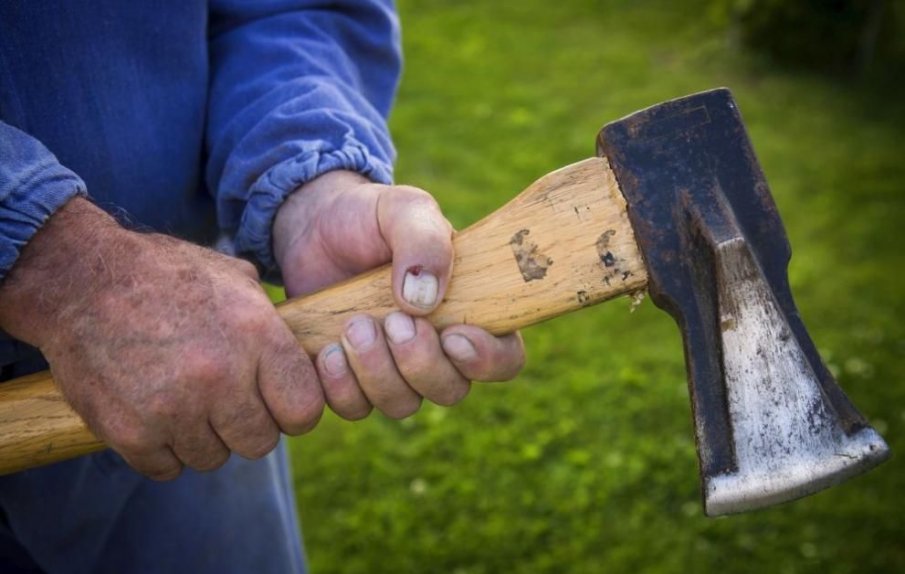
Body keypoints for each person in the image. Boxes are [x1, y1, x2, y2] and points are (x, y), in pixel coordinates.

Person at [0, 1, 525, 572]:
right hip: (170, 327)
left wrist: (309, 181)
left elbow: (288, 10)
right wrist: (61, 268)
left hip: (200, 359)